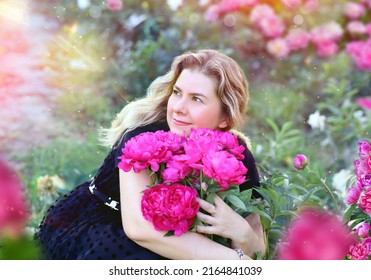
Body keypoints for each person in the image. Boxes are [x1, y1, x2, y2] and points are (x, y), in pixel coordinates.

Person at [36, 49, 266, 260]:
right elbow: (140, 229)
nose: (178, 107)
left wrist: (242, 232)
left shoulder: (234, 154)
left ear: (225, 117)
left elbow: (258, 247)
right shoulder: (144, 137)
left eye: (196, 99)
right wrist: (232, 261)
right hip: (104, 224)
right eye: (177, 93)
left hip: (173, 235)